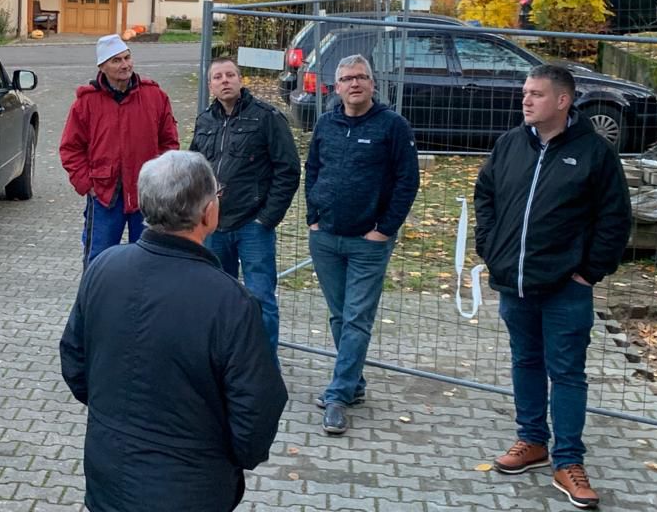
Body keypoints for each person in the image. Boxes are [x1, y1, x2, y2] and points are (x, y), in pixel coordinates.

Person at [60, 150, 287, 512]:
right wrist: (226, 457)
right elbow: (257, 409)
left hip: (108, 475)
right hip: (191, 488)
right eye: (218, 194)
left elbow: (75, 363)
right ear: (208, 212)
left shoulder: (102, 268)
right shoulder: (231, 301)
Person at [474, 64, 630, 510]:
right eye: (525, 92)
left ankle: (568, 461)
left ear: (563, 101)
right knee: (525, 362)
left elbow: (615, 218)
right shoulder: (510, 144)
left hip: (567, 288)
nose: (526, 100)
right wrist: (491, 247)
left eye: (536, 94)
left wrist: (588, 271)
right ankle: (531, 440)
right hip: (515, 284)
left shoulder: (595, 153)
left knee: (566, 373)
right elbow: (486, 194)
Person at [305, 53, 419, 436]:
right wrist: (313, 218)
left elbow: (407, 181)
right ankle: (353, 383)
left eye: (361, 77)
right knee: (340, 316)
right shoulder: (326, 123)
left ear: (373, 83)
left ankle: (337, 396)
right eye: (347, 78)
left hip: (368, 243)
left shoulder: (392, 126)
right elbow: (313, 168)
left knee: (356, 318)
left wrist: (384, 229)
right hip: (326, 238)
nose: (354, 83)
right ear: (336, 87)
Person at [190, 57, 300, 356]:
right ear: (210, 85)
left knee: (260, 300)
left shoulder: (267, 117)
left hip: (253, 227)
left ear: (240, 80)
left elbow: (288, 170)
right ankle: (223, 362)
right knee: (216, 298)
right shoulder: (205, 121)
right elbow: (195, 169)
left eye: (230, 75)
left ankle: (263, 366)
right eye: (218, 77)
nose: (225, 80)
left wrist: (267, 218)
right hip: (213, 226)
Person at [59, 34, 179, 266]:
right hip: (105, 195)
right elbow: (70, 148)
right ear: (102, 67)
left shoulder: (154, 96)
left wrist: (161, 180)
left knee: (149, 260)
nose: (125, 65)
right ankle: (95, 292)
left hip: (146, 194)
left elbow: (170, 143)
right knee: (98, 260)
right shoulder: (86, 102)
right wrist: (87, 184)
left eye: (127, 58)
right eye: (116, 60)